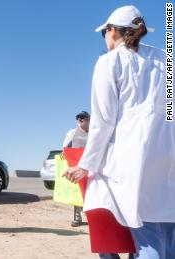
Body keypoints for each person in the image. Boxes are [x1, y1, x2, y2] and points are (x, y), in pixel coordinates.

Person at [65, 5, 174, 258]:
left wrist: (86, 164)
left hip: (131, 160)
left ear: (112, 31)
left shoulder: (109, 62)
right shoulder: (167, 60)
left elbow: (103, 120)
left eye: (104, 32)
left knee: (146, 238)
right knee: (167, 232)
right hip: (168, 159)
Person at [62, 111, 89, 227]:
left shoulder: (95, 133)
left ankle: (91, 216)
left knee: (91, 190)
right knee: (78, 190)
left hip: (91, 165)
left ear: (89, 120)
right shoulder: (72, 133)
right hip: (77, 164)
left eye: (83, 117)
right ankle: (77, 217)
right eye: (78, 117)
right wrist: (64, 153)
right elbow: (65, 148)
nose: (80, 119)